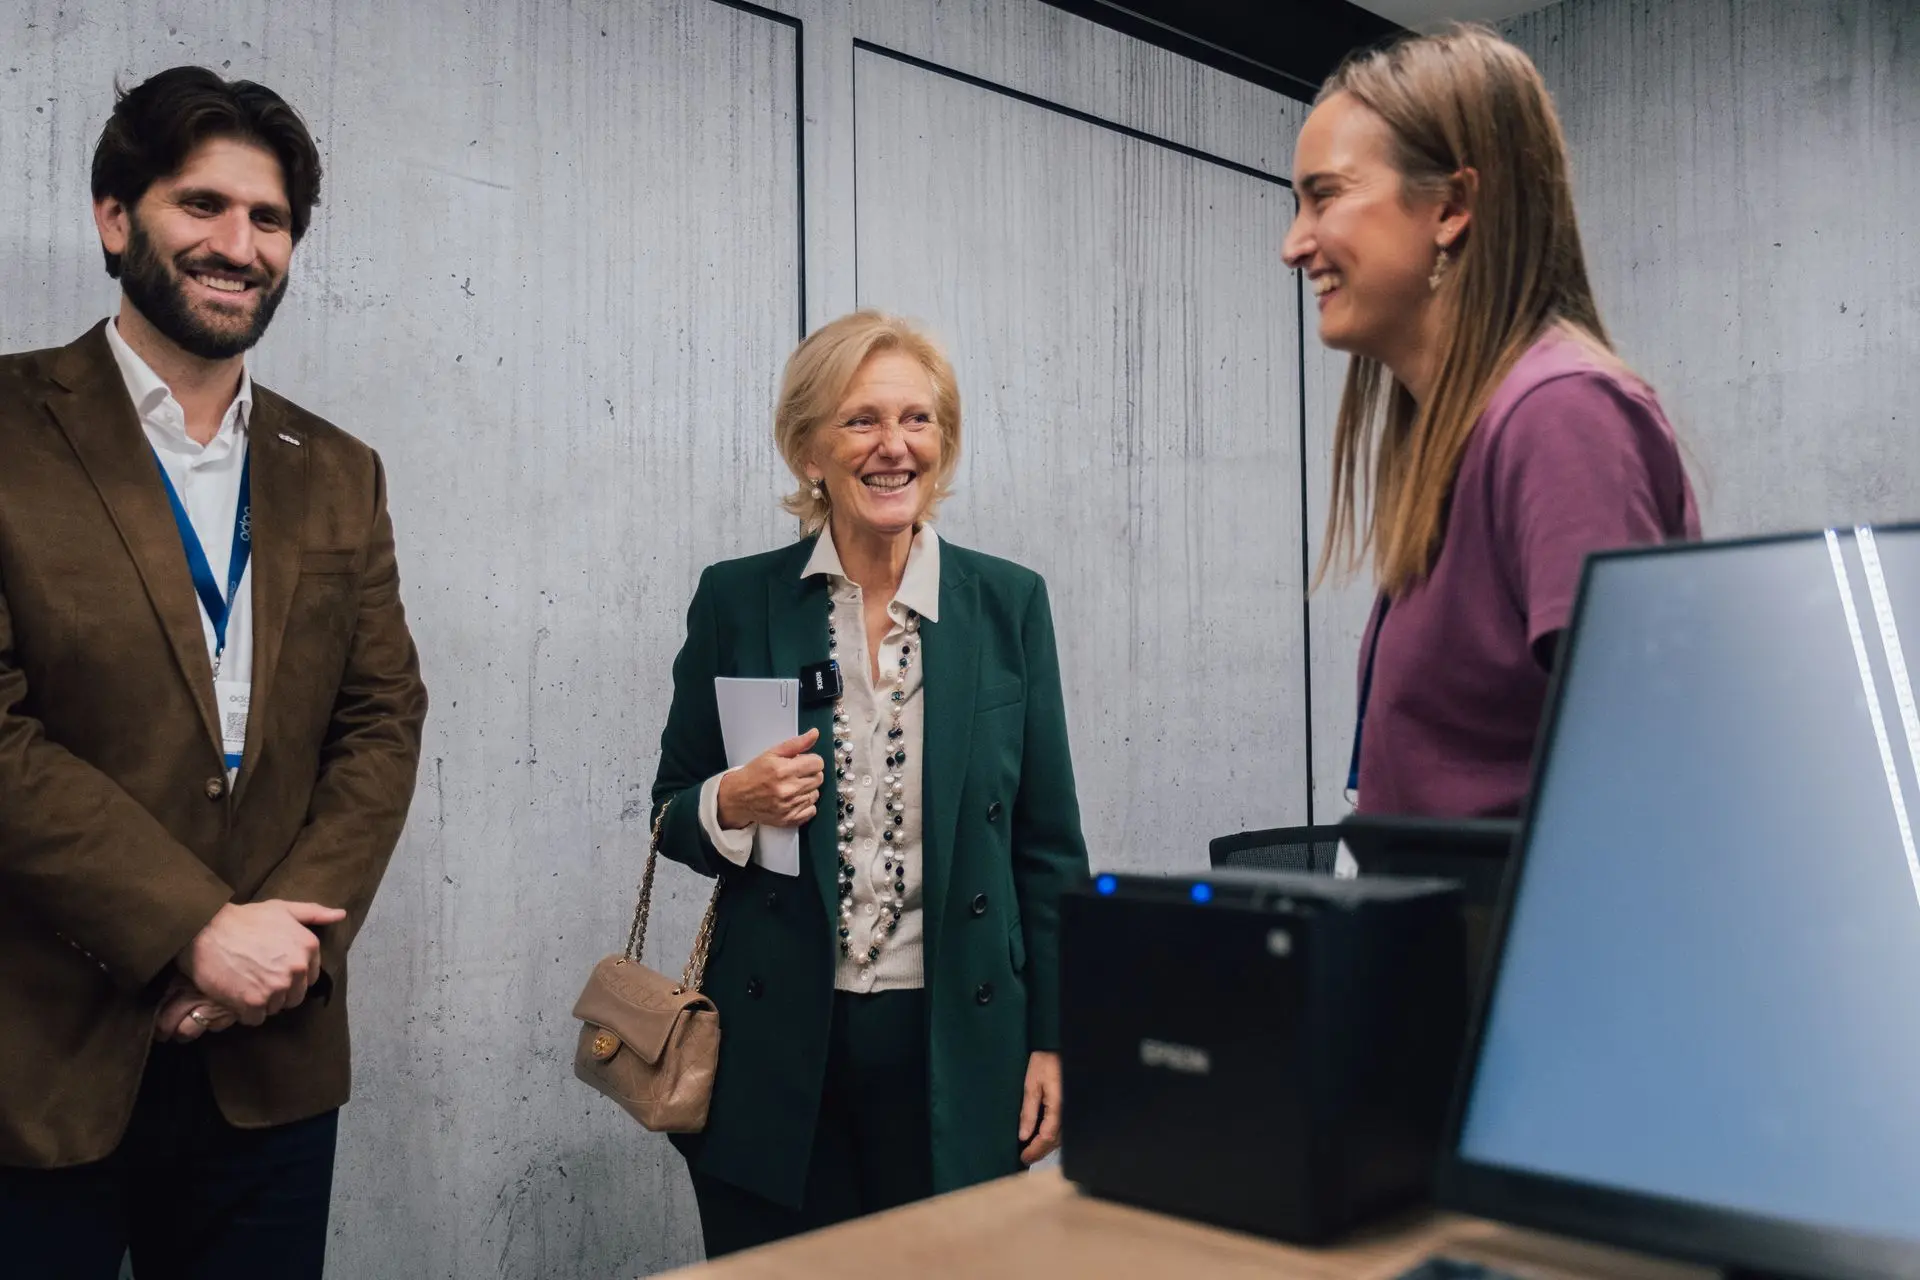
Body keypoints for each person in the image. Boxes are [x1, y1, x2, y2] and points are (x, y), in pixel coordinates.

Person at [0, 67, 428, 1277]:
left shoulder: (340, 469)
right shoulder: (7, 423)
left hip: (270, 1061)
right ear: (114, 216)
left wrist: (275, 952)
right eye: (203, 205)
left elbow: (383, 718)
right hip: (39, 1060)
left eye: (270, 219)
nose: (238, 245)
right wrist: (194, 928)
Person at [650, 310, 1090, 1256]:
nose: (894, 446)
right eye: (861, 420)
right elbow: (670, 808)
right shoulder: (738, 600)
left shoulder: (1008, 605)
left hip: (960, 1048)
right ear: (809, 448)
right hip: (775, 1055)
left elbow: (1050, 851)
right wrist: (730, 803)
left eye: (918, 421)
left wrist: (1056, 1039)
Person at [1282, 26, 1700, 819]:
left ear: (1452, 207)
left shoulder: (1561, 415)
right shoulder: (1469, 433)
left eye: (1324, 195)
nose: (1294, 244)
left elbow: (1647, 786)